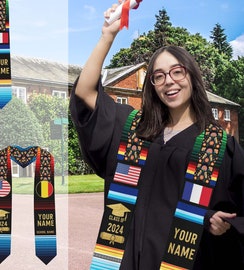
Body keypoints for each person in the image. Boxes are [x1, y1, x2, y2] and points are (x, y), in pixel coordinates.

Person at [69, 1, 244, 269]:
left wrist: (225, 222)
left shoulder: (219, 146)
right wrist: (108, 35)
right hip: (125, 260)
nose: (169, 82)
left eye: (177, 72)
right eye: (159, 76)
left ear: (192, 76)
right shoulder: (133, 129)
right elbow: (85, 93)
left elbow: (235, 211)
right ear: (152, 85)